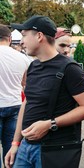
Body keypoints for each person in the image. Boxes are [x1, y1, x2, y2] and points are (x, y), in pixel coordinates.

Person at [5, 15, 84, 168]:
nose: (21, 42)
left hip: (53, 150)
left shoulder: (70, 69)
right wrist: (15, 143)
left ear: (39, 36)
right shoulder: (33, 66)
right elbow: (27, 103)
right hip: (25, 148)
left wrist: (50, 124)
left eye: (24, 35)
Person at [0, 25, 30, 167]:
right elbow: (26, 83)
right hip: (15, 104)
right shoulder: (22, 57)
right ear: (10, 38)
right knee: (11, 148)